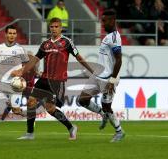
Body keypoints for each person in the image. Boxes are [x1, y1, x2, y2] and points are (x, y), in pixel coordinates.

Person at [13, 17, 94, 140]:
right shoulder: (45, 44)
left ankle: (71, 127)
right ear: (49, 28)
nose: (54, 29)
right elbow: (35, 60)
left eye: (57, 26)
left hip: (57, 81)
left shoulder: (67, 42)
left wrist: (91, 70)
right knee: (31, 101)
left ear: (61, 28)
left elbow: (79, 57)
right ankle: (30, 133)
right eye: (52, 27)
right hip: (44, 78)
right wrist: (22, 71)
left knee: (50, 109)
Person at [78, 10, 125, 142]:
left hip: (108, 79)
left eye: (105, 21)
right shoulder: (107, 36)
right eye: (102, 20)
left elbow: (119, 60)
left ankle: (119, 131)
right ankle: (103, 114)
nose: (103, 23)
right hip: (97, 76)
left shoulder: (115, 38)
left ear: (113, 20)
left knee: (107, 106)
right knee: (82, 100)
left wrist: (112, 80)